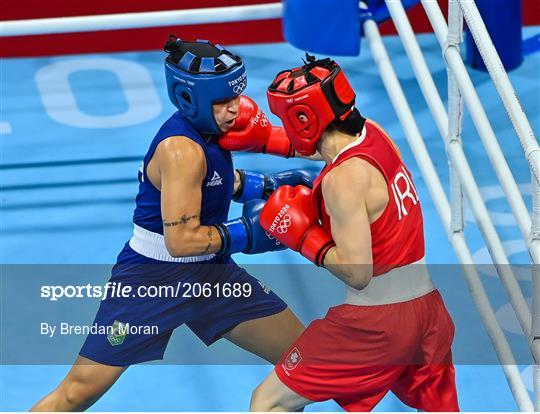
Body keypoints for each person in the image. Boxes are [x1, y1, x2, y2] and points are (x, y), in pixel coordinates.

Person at [31, 36, 315, 411]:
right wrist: (250, 232)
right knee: (77, 392)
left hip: (212, 276)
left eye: (236, 97)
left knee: (308, 364)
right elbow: (181, 241)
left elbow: (211, 180)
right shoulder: (180, 150)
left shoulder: (213, 131)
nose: (236, 110)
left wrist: (261, 185)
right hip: (152, 280)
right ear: (188, 98)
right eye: (222, 103)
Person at [244, 55, 460, 412]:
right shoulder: (374, 133)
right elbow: (326, 147)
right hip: (429, 312)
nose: (287, 125)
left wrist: (303, 237)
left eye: (288, 119)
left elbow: (358, 272)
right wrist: (268, 139)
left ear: (304, 119)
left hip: (377, 324)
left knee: (268, 402)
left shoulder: (342, 181)